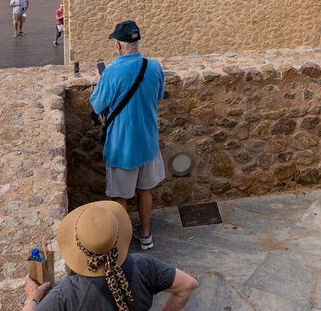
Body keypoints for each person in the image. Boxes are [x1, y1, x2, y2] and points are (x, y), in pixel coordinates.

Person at [23, 200, 197, 311]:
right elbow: (188, 285)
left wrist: (33, 299)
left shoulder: (69, 293)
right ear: (118, 237)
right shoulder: (143, 265)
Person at [90, 21, 165, 250]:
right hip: (148, 142)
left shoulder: (111, 73)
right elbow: (158, 95)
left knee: (120, 196)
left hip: (122, 145)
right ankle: (145, 235)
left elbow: (97, 105)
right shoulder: (154, 67)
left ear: (118, 46)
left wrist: (99, 82)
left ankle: (122, 239)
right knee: (145, 189)